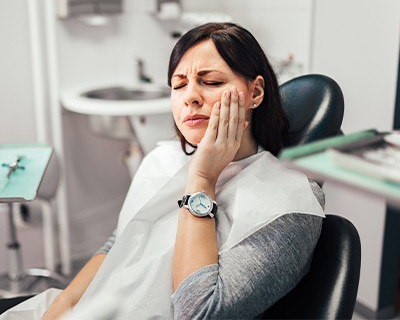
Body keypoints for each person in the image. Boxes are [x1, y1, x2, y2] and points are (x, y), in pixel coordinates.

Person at [3, 22, 325, 320]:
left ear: (255, 92)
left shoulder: (290, 203)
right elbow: (120, 244)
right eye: (178, 85)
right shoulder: (163, 160)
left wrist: (202, 179)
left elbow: (199, 312)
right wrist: (61, 307)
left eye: (211, 82)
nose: (190, 98)